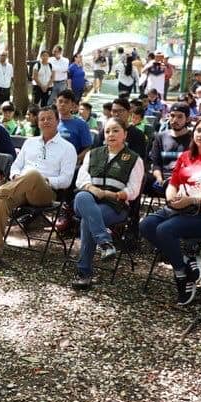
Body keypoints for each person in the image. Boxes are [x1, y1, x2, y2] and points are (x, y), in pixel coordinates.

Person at [140, 116, 201, 305]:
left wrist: (191, 199)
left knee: (164, 230)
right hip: (179, 209)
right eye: (199, 130)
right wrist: (171, 197)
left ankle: (180, 275)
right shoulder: (186, 156)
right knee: (146, 225)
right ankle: (185, 261)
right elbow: (173, 183)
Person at [0, 106, 77, 268]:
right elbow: (16, 166)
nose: (45, 121)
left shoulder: (67, 148)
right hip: (18, 188)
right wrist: (16, 176)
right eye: (42, 119)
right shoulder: (30, 143)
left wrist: (43, 179)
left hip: (45, 193)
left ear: (57, 121)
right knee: (2, 201)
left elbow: (66, 180)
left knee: (32, 174)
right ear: (38, 122)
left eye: (49, 118)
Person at [71, 117, 145, 289]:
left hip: (115, 206)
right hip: (88, 200)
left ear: (125, 134)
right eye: (107, 131)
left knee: (87, 220)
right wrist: (92, 188)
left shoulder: (134, 159)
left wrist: (111, 194)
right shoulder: (93, 154)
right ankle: (105, 242)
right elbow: (80, 179)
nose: (111, 134)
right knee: (82, 197)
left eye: (116, 130)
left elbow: (133, 190)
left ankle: (84, 273)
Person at [145, 103, 193, 196]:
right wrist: (159, 178)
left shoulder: (193, 139)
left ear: (187, 119)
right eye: (172, 116)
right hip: (161, 178)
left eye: (180, 117)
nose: (175, 120)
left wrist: (173, 180)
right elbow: (156, 164)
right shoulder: (160, 137)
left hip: (182, 181)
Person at [56, 89, 94, 161]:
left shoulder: (81, 124)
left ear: (73, 105)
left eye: (66, 102)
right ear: (56, 103)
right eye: (60, 101)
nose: (62, 104)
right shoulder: (49, 121)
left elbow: (88, 148)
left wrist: (74, 161)